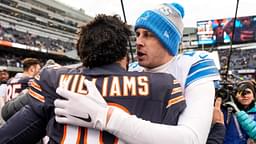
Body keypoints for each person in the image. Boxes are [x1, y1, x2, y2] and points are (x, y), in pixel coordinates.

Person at [0, 14, 186, 144]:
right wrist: (217, 127)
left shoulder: (53, 80)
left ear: (82, 52)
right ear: (124, 53)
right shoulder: (163, 86)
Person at [54, 3, 221, 144]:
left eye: (148, 35)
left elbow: (192, 139)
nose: (139, 42)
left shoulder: (194, 66)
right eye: (138, 34)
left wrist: (106, 117)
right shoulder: (131, 68)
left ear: (167, 40)